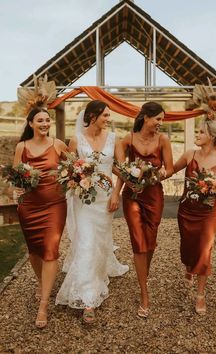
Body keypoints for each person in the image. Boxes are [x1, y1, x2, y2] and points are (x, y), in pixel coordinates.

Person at [55, 100, 128, 323]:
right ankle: (88, 299)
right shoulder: (76, 139)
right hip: (83, 200)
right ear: (93, 116)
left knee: (100, 240)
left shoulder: (114, 139)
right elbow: (68, 168)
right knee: (86, 241)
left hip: (106, 200)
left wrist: (116, 195)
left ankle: (99, 269)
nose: (108, 119)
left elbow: (122, 170)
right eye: (105, 115)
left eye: (109, 115)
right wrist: (76, 179)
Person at [13, 106, 68, 328]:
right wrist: (16, 189)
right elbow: (16, 176)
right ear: (31, 124)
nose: (45, 124)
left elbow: (77, 167)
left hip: (55, 205)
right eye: (40, 120)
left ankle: (44, 304)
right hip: (29, 206)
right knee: (35, 251)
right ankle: (41, 282)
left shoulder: (58, 145)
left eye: (47, 120)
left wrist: (73, 180)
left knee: (50, 249)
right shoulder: (21, 147)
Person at [118, 101, 173, 318]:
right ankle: (144, 294)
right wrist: (129, 178)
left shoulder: (164, 140)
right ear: (146, 118)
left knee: (150, 242)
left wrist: (153, 175)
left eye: (162, 119)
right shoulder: (128, 139)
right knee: (139, 243)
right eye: (158, 119)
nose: (160, 123)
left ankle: (144, 273)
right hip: (132, 196)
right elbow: (120, 168)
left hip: (154, 196)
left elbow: (169, 169)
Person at [174, 119, 216, 314]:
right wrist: (146, 176)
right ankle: (189, 265)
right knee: (188, 246)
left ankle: (200, 295)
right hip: (186, 211)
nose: (197, 135)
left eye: (201, 132)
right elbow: (170, 170)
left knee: (205, 250)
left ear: (212, 136)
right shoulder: (189, 155)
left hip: (209, 213)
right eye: (197, 132)